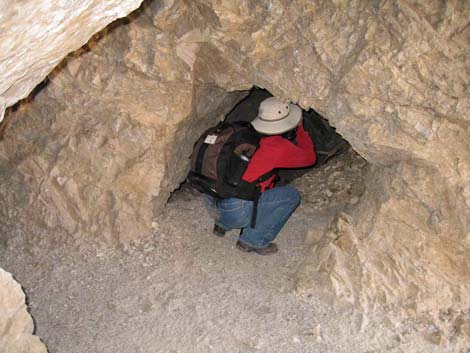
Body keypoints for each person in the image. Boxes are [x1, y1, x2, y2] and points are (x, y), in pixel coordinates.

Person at [204, 97, 316, 255]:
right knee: (291, 196)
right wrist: (301, 129)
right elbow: (310, 158)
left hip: (211, 199)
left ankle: (221, 225)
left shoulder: (242, 134)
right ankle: (253, 240)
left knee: (244, 184)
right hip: (235, 211)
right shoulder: (277, 146)